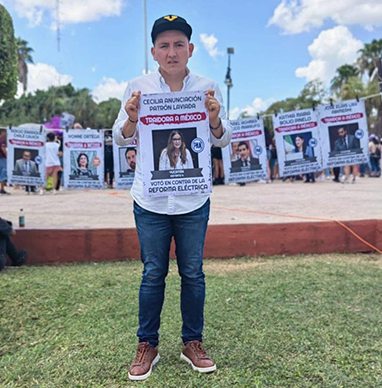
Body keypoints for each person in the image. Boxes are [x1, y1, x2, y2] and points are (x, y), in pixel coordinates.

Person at [112, 14, 231, 381]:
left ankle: (191, 342)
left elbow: (222, 140)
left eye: (179, 44)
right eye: (164, 45)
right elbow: (120, 136)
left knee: (192, 273)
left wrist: (214, 120)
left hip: (193, 199)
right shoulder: (138, 87)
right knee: (153, 273)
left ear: (190, 49)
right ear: (154, 52)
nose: (172, 51)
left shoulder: (207, 88)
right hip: (150, 200)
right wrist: (131, 119)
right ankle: (147, 345)